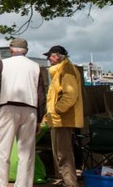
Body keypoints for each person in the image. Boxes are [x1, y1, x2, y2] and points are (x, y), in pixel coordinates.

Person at [0, 38, 45, 187]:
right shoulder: (36, 67)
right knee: (26, 154)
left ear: (11, 49)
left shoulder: (3, 63)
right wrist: (39, 118)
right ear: (26, 51)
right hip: (30, 109)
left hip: (7, 107)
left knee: (3, 151)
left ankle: (0, 185)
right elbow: (41, 95)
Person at [43, 45, 83, 187]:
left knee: (64, 154)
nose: (48, 58)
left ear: (58, 56)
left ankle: (70, 183)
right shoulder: (62, 70)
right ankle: (68, 182)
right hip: (61, 118)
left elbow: (70, 96)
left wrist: (56, 111)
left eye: (50, 56)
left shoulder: (65, 70)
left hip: (63, 119)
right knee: (63, 153)